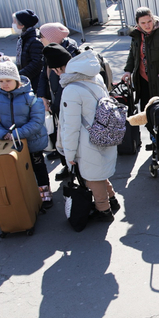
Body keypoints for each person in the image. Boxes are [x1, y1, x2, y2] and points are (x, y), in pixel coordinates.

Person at [58, 49, 121, 222]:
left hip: (86, 142)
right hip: (104, 134)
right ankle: (113, 200)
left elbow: (70, 127)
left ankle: (104, 211)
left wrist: (68, 154)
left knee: (92, 179)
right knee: (99, 173)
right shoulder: (97, 79)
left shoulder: (71, 90)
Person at [0, 56, 52, 209]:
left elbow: (37, 120)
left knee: (38, 168)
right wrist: (3, 133)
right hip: (9, 143)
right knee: (15, 172)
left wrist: (17, 133)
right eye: (1, 81)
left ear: (16, 79)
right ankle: (24, 196)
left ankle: (45, 194)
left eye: (8, 80)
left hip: (32, 142)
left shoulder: (30, 97)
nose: (4, 84)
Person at [36, 23, 81, 179]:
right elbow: (43, 75)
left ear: (51, 38)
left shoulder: (69, 54)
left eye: (41, 36)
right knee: (60, 135)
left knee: (71, 136)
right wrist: (43, 96)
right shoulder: (49, 53)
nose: (39, 39)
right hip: (56, 101)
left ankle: (75, 168)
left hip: (69, 103)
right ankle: (66, 166)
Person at [122, 7, 159, 117]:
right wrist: (128, 70)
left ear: (153, 19)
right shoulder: (137, 35)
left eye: (149, 21)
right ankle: (151, 134)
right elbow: (133, 54)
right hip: (143, 82)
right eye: (143, 23)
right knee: (147, 116)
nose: (147, 25)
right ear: (138, 24)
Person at [12, 9, 44, 90]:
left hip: (35, 81)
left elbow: (36, 64)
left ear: (22, 25)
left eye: (15, 22)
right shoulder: (23, 37)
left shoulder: (34, 40)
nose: (13, 24)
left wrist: (19, 75)